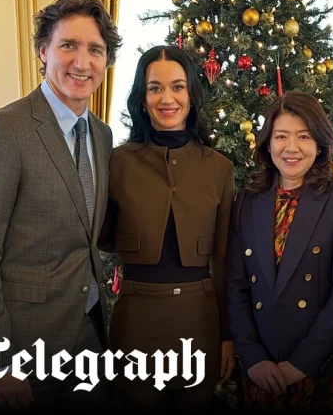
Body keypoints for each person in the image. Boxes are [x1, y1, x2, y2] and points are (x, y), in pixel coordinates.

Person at [0, 0, 122, 411]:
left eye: (95, 50)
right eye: (69, 45)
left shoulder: (101, 136)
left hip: (88, 339)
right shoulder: (1, 130)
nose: (82, 62)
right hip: (20, 350)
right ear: (43, 50)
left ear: (106, 62)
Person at [98, 45, 236, 411]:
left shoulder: (219, 167)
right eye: (155, 88)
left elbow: (223, 260)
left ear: (191, 93)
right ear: (142, 98)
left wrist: (226, 336)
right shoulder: (117, 162)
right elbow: (98, 238)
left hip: (200, 320)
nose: (167, 98)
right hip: (136, 321)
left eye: (177, 86)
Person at [226, 91, 333, 412]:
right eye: (281, 136)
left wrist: (302, 363)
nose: (291, 147)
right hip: (264, 372)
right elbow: (236, 287)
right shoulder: (249, 200)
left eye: (303, 136)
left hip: (325, 370)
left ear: (319, 144)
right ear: (267, 144)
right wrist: (253, 358)